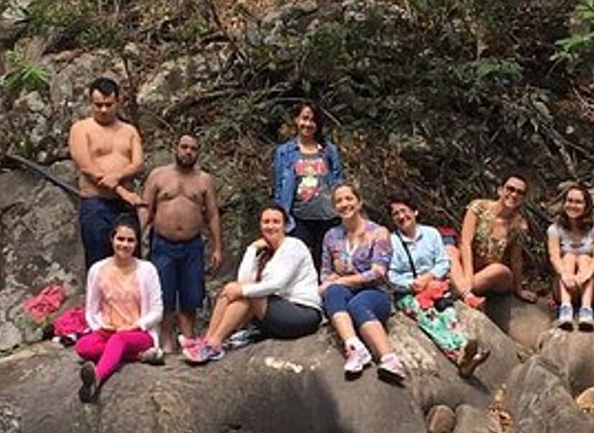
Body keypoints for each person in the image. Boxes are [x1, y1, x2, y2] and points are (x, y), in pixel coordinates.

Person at [183, 204, 323, 364]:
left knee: (247, 295)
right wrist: (252, 249)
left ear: (285, 225)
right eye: (266, 222)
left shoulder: (294, 246)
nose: (270, 226)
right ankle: (208, 340)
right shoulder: (264, 253)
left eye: (276, 222)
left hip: (302, 311)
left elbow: (276, 284)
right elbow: (243, 281)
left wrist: (242, 291)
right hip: (277, 309)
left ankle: (215, 344)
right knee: (232, 288)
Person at [387, 192, 490, 378]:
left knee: (448, 313)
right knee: (428, 317)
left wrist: (430, 277)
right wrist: (411, 284)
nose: (401, 217)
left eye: (404, 211)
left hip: (434, 287)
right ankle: (459, 355)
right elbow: (390, 275)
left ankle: (464, 351)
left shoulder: (431, 234)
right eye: (396, 214)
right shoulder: (391, 242)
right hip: (409, 293)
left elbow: (443, 262)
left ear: (415, 212)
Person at [141, 134, 223, 353]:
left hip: (192, 245)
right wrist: (136, 238)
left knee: (191, 296)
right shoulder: (158, 176)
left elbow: (213, 214)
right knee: (164, 295)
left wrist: (217, 247)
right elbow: (145, 209)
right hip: (163, 244)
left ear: (198, 153)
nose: (188, 152)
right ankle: (166, 341)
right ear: (175, 148)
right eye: (184, 147)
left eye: (193, 149)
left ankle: (189, 339)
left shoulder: (204, 180)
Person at [321, 183, 405, 382]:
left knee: (358, 304)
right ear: (334, 207)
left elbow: (377, 272)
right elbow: (325, 272)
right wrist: (331, 280)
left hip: (375, 292)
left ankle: (390, 358)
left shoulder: (378, 232)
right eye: (339, 201)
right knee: (332, 292)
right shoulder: (331, 236)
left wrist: (342, 279)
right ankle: (354, 348)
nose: (344, 204)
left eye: (349, 198)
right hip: (346, 290)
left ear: (358, 202)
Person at [75, 216, 164, 402]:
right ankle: (137, 356)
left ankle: (96, 379)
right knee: (83, 346)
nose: (125, 244)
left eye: (130, 240)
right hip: (108, 331)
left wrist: (135, 326)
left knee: (119, 339)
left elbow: (157, 310)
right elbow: (91, 310)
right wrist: (100, 327)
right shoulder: (97, 269)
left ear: (137, 243)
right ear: (112, 239)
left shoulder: (147, 270)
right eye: (120, 239)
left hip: (138, 333)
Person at [68, 77, 145, 272]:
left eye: (108, 105)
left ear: (117, 102)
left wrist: (117, 177)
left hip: (125, 207)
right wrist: (123, 191)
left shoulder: (129, 131)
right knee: (98, 262)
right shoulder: (81, 129)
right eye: (98, 105)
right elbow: (87, 168)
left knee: (130, 260)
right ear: (90, 103)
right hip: (96, 203)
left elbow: (137, 164)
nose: (103, 110)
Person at [272, 100, 344, 267]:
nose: (308, 124)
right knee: (298, 263)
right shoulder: (285, 152)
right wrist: (279, 218)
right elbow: (278, 188)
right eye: (304, 118)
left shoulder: (329, 150)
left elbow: (338, 181)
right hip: (298, 218)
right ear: (296, 120)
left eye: (313, 120)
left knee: (325, 264)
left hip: (328, 216)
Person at [459, 174, 539, 303]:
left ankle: (459, 288)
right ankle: (467, 291)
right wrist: (468, 275)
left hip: (492, 273)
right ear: (500, 190)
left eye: (520, 192)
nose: (514, 195)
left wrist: (519, 289)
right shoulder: (478, 207)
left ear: (523, 198)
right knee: (450, 250)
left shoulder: (519, 225)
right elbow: (465, 242)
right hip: (469, 267)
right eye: (510, 189)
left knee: (500, 270)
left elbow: (516, 258)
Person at [547, 182, 594, 331]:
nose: (573, 205)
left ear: (586, 205)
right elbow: (554, 256)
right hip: (567, 285)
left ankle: (586, 310)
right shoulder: (554, 229)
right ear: (564, 204)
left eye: (578, 202)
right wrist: (564, 274)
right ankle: (566, 309)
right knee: (568, 257)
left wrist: (587, 273)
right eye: (570, 201)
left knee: (584, 258)